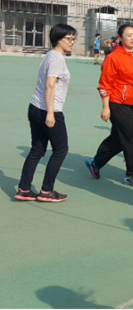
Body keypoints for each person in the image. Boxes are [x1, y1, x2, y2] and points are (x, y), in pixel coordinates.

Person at [85, 24, 133, 188]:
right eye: (128, 35)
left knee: (118, 138)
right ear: (120, 38)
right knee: (132, 137)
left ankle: (96, 162)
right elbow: (104, 84)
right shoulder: (113, 58)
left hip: (131, 103)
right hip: (116, 102)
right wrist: (105, 107)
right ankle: (132, 174)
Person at [15, 24, 77, 202]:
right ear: (58, 39)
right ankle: (47, 191)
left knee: (37, 149)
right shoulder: (57, 58)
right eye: (68, 38)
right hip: (49, 110)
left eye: (73, 39)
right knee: (61, 150)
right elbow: (50, 85)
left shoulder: (50, 55)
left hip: (35, 107)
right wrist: (50, 113)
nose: (72, 42)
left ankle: (24, 189)